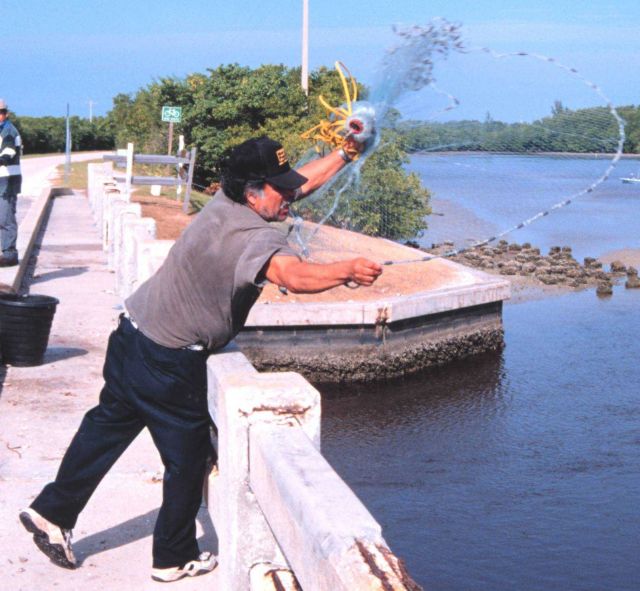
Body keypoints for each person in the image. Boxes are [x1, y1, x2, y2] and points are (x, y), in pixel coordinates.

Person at [19, 135, 382, 583]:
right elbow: (293, 274)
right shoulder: (251, 237)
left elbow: (300, 183)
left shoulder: (224, 203)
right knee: (188, 460)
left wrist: (345, 153)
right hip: (168, 363)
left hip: (131, 334)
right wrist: (344, 270)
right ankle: (172, 557)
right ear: (252, 192)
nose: (290, 195)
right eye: (279, 189)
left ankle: (51, 513)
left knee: (104, 430)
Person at [0, 99, 22, 267]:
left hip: (6, 182)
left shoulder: (8, 131)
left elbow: (8, 152)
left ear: (5, 114)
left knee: (5, 218)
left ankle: (9, 255)